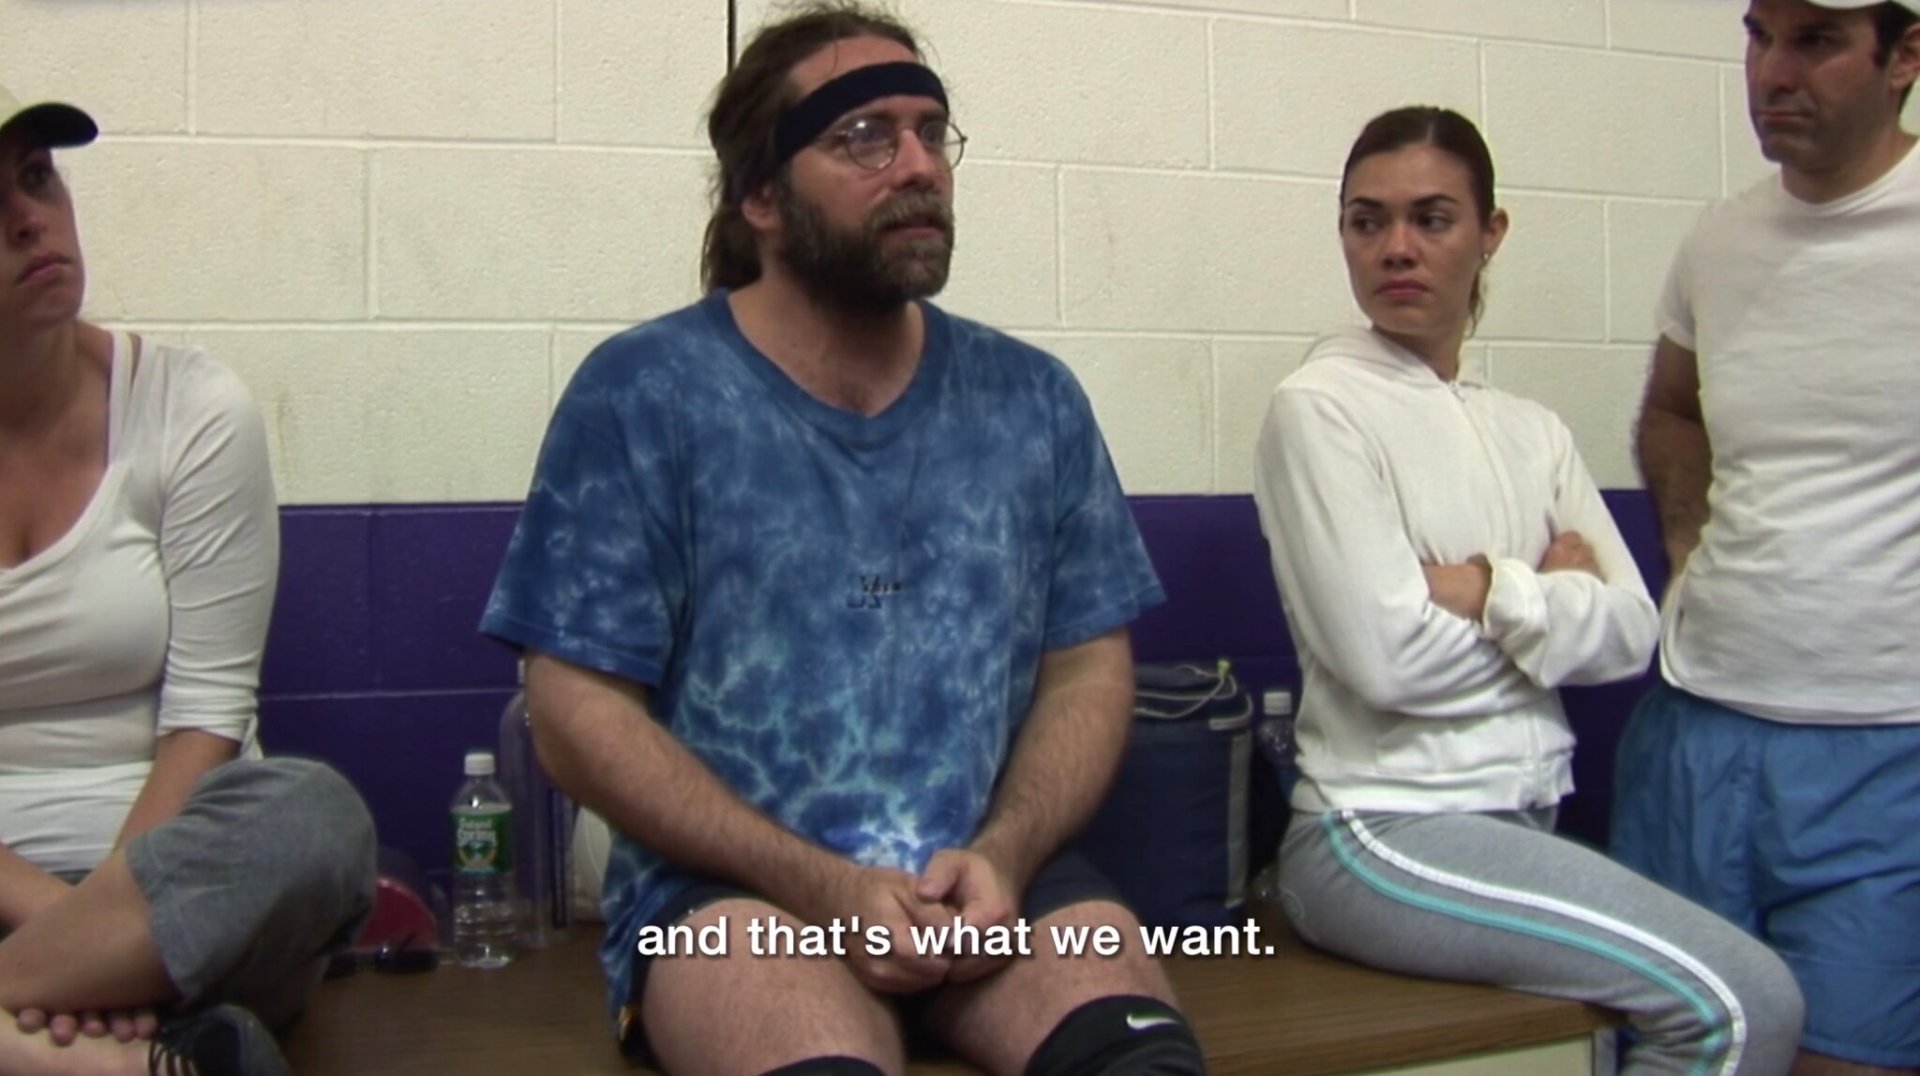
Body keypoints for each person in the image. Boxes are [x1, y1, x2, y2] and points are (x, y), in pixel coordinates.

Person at [479, 4, 1204, 1074]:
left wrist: (1006, 854)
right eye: (863, 136)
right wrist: (824, 887)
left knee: (1142, 1061)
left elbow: (1087, 669)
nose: (917, 166)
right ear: (762, 197)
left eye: (930, 131)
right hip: (740, 901)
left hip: (989, 885)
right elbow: (575, 711)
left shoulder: (1032, 401)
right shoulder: (645, 395)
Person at [1251, 106, 1805, 1074]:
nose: (1396, 248)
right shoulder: (1320, 408)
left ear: (1490, 232)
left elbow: (1630, 630)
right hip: (1377, 831)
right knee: (1743, 1004)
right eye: (1367, 221)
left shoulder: (1532, 429)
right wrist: (1548, 602)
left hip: (1519, 821)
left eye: (1432, 218)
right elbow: (1387, 661)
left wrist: (1485, 589)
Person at [0, 85, 377, 1076]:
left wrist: (104, 934)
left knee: (316, 818)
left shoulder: (189, 408)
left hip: (184, 898)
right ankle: (143, 1057)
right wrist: (66, 933)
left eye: (37, 178)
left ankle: (38, 1038)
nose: (28, 219)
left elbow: (207, 720)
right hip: (44, 907)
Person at [1610, 1, 1920, 1071]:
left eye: (1817, 40)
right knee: (1673, 1051)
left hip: (1885, 746)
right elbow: (1673, 409)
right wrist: (1687, 544)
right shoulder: (1721, 238)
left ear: (1903, 56)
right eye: (1759, 35)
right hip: (1696, 727)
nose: (1772, 72)